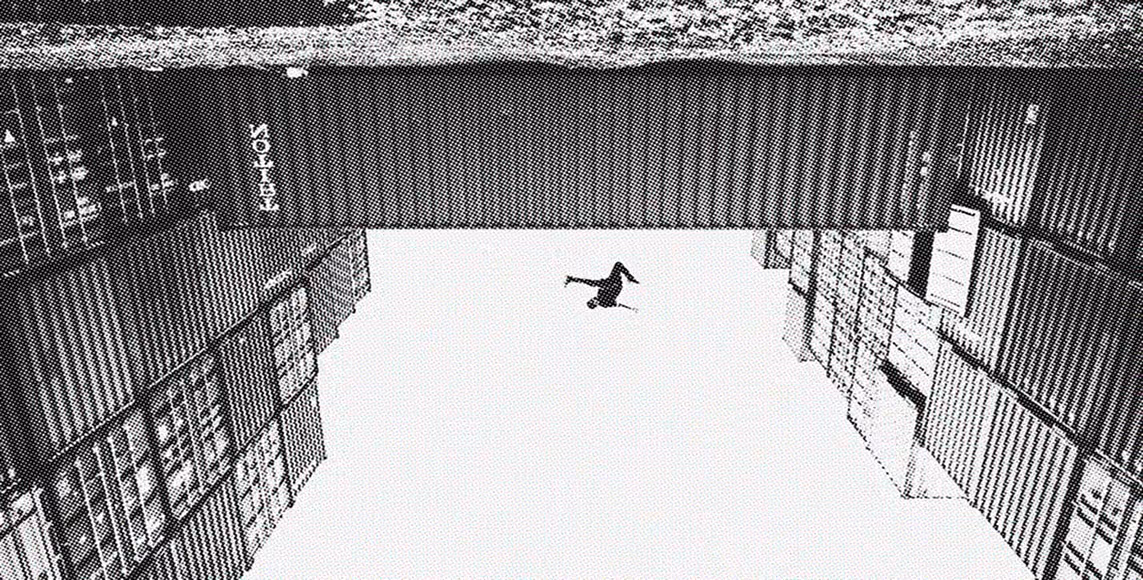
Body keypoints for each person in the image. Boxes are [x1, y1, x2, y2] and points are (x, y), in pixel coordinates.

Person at [565, 262, 640, 311]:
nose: (594, 299)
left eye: (592, 299)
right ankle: (572, 279)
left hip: (610, 281)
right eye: (594, 302)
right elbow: (619, 304)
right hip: (615, 285)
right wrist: (631, 308)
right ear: (596, 304)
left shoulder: (599, 295)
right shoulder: (605, 304)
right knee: (595, 284)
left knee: (618, 264)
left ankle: (630, 278)